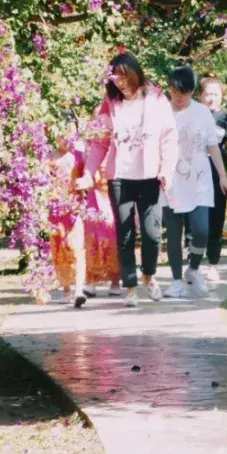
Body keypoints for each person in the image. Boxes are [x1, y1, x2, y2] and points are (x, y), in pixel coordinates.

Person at [84, 51, 178, 307]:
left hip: (150, 176)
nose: (120, 83)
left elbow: (169, 137)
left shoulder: (156, 97)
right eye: (116, 79)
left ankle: (148, 275)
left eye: (124, 77)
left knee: (152, 234)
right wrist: (88, 173)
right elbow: (99, 143)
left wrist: (167, 170)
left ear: (135, 73)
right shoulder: (109, 103)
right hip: (120, 177)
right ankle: (130, 288)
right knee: (124, 235)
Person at [163, 67, 227, 298]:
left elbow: (212, 145)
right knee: (173, 232)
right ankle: (175, 281)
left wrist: (222, 175)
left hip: (200, 178)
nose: (180, 98)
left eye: (185, 94)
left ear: (193, 92)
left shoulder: (202, 112)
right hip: (169, 179)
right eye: (176, 92)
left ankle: (193, 269)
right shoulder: (162, 111)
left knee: (201, 229)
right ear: (169, 88)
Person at [49, 138, 121, 306]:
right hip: (55, 210)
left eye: (69, 134)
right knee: (59, 247)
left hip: (75, 209)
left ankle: (79, 290)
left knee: (77, 247)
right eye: (61, 134)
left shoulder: (80, 157)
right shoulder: (49, 157)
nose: (65, 139)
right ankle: (66, 289)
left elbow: (90, 178)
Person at [199, 75, 227, 284]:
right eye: (207, 94)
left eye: (215, 94)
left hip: (216, 175)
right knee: (194, 221)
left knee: (215, 219)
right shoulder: (191, 114)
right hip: (194, 175)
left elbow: (215, 138)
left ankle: (212, 264)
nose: (211, 98)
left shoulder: (224, 117)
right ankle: (193, 263)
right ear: (200, 95)